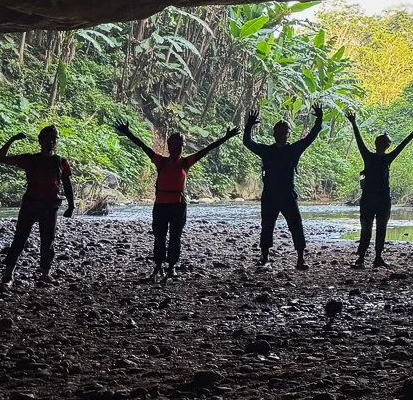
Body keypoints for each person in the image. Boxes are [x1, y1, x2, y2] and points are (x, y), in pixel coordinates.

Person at [113, 119, 239, 281]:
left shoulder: (185, 162)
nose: (175, 149)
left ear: (182, 148)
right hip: (161, 206)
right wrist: (128, 133)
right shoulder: (161, 161)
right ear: (169, 147)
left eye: (178, 146)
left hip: (178, 206)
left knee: (175, 237)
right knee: (159, 237)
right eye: (173, 146)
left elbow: (207, 150)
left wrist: (226, 137)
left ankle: (172, 267)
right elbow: (143, 146)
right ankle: (158, 266)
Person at [243, 104, 323, 269]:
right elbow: (248, 142)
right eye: (278, 133)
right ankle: (266, 258)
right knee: (268, 226)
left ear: (288, 135)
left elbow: (311, 137)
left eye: (283, 133)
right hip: (272, 195)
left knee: (295, 225)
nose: (281, 135)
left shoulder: (291, 150)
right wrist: (249, 125)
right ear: (274, 134)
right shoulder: (271, 151)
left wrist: (319, 119)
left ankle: (300, 259)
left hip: (286, 195)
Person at [0, 126, 75, 286]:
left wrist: (71, 206)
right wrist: (12, 140)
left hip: (50, 206)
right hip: (31, 204)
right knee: (19, 239)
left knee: (48, 242)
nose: (50, 142)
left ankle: (45, 273)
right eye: (47, 139)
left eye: (53, 139)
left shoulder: (61, 162)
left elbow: (67, 184)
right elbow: (0, 158)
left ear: (56, 142)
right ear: (40, 141)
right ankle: (8, 275)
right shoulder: (30, 159)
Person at [345, 112, 413, 269]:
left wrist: (354, 123)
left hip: (372, 199)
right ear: (386, 145)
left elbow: (360, 141)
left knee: (369, 229)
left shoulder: (370, 157)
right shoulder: (385, 158)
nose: (384, 145)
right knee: (376, 228)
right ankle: (372, 258)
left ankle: (365, 258)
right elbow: (401, 146)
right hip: (379, 199)